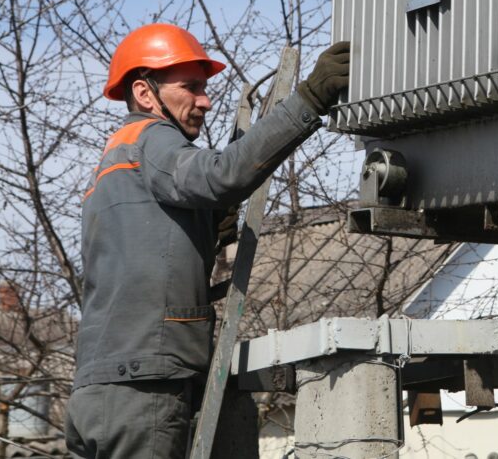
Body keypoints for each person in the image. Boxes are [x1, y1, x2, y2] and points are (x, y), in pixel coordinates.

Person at [64, 23, 350, 458]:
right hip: (145, 386)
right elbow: (221, 176)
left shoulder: (113, 162)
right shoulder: (152, 139)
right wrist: (309, 100)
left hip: (98, 391)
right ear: (145, 94)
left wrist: (204, 225)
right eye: (191, 87)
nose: (205, 100)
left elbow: (146, 261)